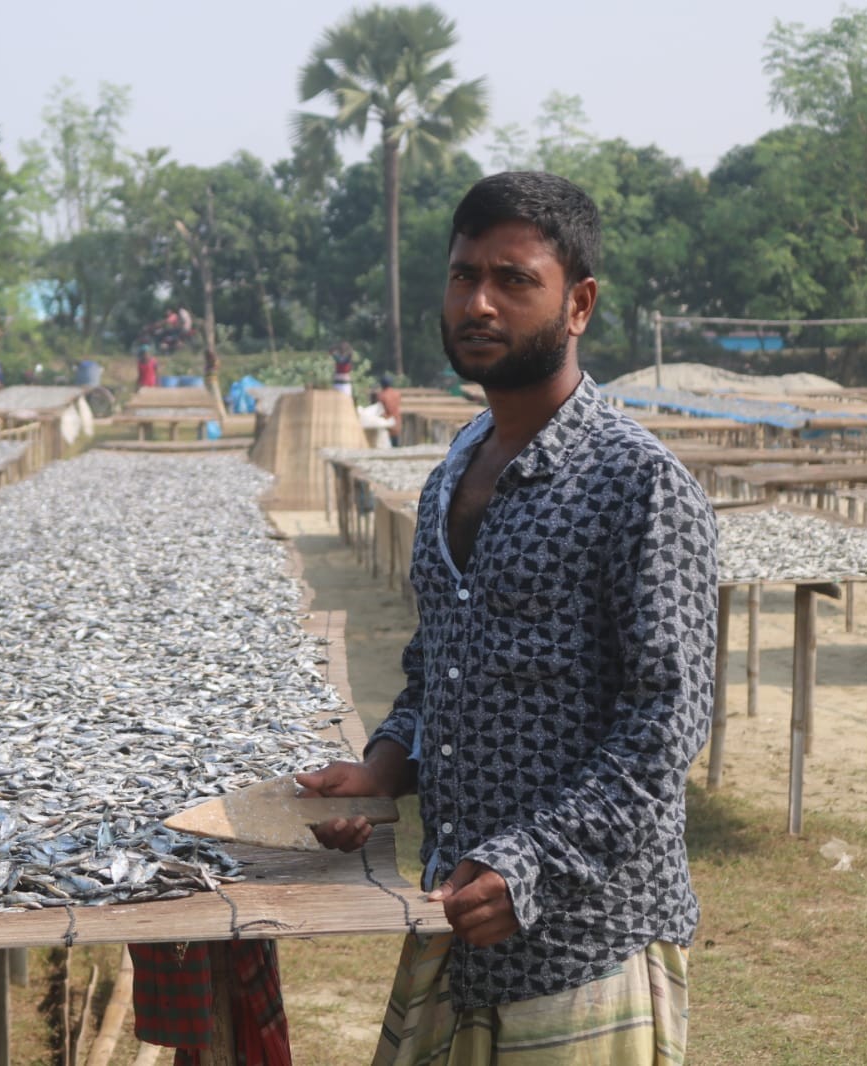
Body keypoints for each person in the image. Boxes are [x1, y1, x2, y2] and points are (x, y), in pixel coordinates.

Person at [296, 172, 717, 1065]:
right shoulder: (455, 464)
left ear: (578, 304)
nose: (477, 302)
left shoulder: (636, 485)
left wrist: (530, 864)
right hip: (453, 931)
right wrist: (382, 767)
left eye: (513, 280)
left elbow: (666, 722)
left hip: (583, 945)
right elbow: (437, 667)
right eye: (461, 276)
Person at [375, 372, 402, 446]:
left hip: (387, 423)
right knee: (396, 444)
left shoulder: (381, 395)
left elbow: (380, 410)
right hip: (397, 422)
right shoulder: (397, 394)